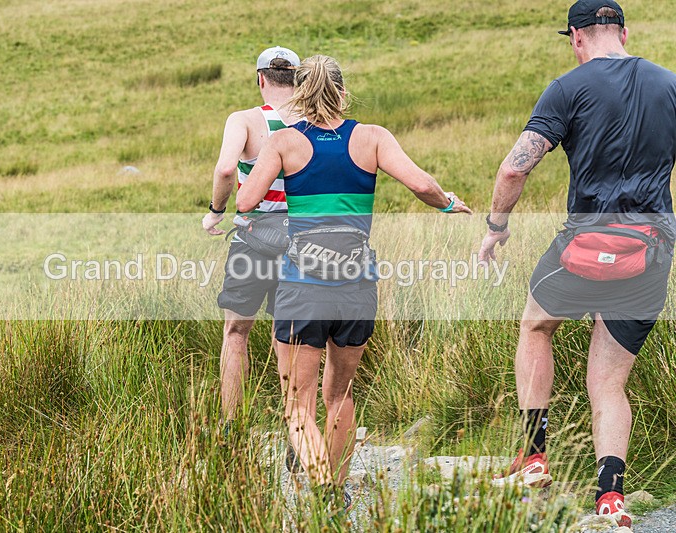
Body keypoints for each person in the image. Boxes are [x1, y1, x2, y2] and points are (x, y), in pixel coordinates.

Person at [238, 55, 471, 508]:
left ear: (300, 96)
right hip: (357, 284)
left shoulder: (285, 141)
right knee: (339, 395)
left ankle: (325, 491)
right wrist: (446, 204)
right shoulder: (371, 138)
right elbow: (421, 184)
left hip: (302, 286)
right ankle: (337, 490)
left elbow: (246, 202)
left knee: (298, 404)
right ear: (343, 94)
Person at [481, 1, 676, 527]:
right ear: (625, 33)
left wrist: (496, 228)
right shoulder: (669, 84)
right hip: (651, 251)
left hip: (585, 248)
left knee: (535, 325)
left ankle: (533, 458)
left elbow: (513, 170)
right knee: (610, 383)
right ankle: (610, 498)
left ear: (576, 38)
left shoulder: (567, 88)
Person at [202, 46, 301, 428]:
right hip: (301, 244)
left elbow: (227, 168)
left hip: (252, 240)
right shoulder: (315, 120)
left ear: (260, 78)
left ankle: (232, 427)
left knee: (236, 331)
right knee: (290, 335)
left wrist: (215, 212)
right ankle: (297, 425)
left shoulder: (244, 120)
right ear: (297, 78)